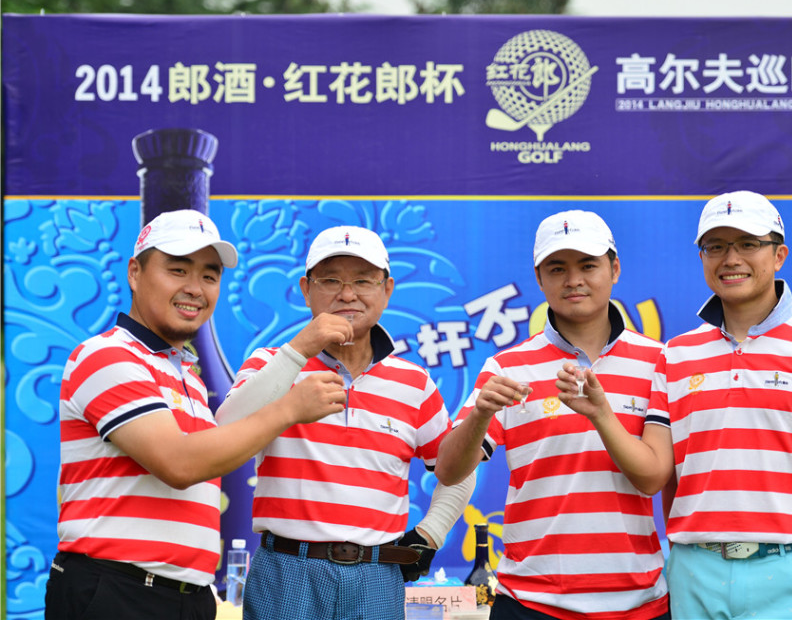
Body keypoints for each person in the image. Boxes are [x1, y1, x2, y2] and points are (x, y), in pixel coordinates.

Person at [580, 191, 792, 620]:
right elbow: (668, 476)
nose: (730, 258)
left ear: (779, 255)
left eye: (747, 244)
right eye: (715, 246)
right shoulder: (676, 354)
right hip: (694, 574)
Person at [45, 209, 346, 620]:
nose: (195, 288)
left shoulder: (184, 372)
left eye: (209, 275)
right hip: (116, 591)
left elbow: (214, 448)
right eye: (177, 270)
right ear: (135, 272)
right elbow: (179, 463)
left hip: (188, 596)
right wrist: (289, 409)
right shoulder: (106, 356)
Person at [215, 225, 475, 620]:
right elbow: (226, 432)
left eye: (363, 281)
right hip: (287, 569)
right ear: (306, 289)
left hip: (377, 575)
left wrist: (431, 533)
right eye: (331, 280)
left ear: (387, 289)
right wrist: (301, 347)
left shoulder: (414, 383)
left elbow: (458, 467)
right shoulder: (272, 364)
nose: (347, 294)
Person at [435, 210, 670, 620]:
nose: (573, 280)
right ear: (539, 278)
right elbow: (449, 471)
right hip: (531, 603)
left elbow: (652, 479)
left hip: (640, 603)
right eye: (557, 268)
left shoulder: (659, 361)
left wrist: (601, 415)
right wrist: (479, 416)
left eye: (588, 265)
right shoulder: (507, 367)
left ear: (614, 269)